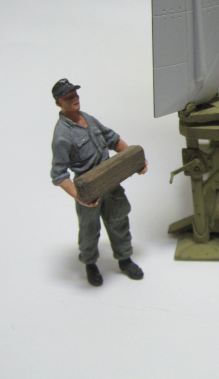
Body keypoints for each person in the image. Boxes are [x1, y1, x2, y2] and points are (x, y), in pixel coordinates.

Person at [50, 79, 148, 287]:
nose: (75, 99)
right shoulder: (62, 135)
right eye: (68, 97)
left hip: (111, 181)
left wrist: (134, 161)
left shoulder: (88, 119)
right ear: (59, 103)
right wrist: (80, 197)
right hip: (89, 190)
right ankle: (90, 264)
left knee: (119, 221)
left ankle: (125, 259)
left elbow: (113, 139)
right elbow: (59, 175)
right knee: (89, 230)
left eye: (75, 94)